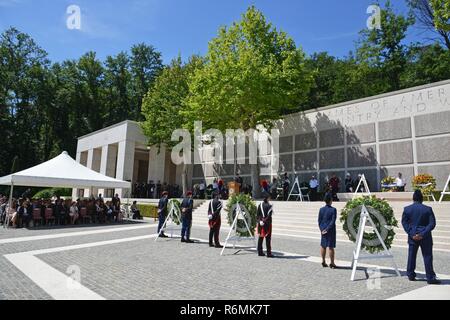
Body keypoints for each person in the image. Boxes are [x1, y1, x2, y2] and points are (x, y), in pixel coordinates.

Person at [402, 190, 440, 284]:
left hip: (412, 236)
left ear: (413, 198)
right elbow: (432, 224)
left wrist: (411, 234)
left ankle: (410, 275)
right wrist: (422, 234)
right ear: (422, 199)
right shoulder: (428, 209)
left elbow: (404, 223)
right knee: (427, 256)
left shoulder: (407, 209)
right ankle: (430, 278)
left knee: (411, 256)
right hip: (425, 236)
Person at [318, 193, 337, 269]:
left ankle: (323, 261)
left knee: (323, 246)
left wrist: (322, 229)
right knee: (331, 247)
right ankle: (332, 263)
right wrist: (327, 229)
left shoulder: (321, 209)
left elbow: (319, 221)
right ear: (330, 200)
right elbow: (333, 221)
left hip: (323, 230)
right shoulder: (333, 209)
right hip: (330, 230)